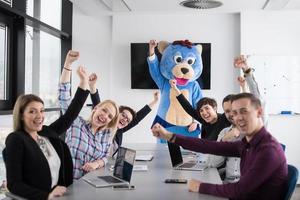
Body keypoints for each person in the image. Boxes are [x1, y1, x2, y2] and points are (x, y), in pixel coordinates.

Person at [152, 92, 287, 200]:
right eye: (234, 113)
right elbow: (208, 146)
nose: (237, 118)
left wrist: (201, 187)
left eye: (244, 111)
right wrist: (169, 136)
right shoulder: (246, 145)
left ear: (259, 112)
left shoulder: (268, 150)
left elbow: (239, 190)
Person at [4, 66, 90, 199]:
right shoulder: (16, 139)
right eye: (32, 111)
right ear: (21, 115)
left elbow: (70, 115)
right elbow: (14, 184)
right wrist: (47, 196)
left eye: (42, 110)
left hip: (61, 195)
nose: (39, 116)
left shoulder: (46, 133)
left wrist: (84, 82)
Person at [59, 51, 119, 179]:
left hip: (92, 183)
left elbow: (105, 158)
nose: (105, 116)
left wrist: (97, 164)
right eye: (104, 111)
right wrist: (68, 63)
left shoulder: (106, 135)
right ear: (95, 108)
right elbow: (64, 96)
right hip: (70, 184)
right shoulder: (76, 123)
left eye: (110, 117)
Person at [88, 72, 159, 156]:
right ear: (116, 113)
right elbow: (97, 104)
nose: (125, 120)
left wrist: (155, 101)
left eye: (128, 120)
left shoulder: (119, 131)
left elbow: (138, 118)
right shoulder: (103, 124)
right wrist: (92, 86)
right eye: (123, 115)